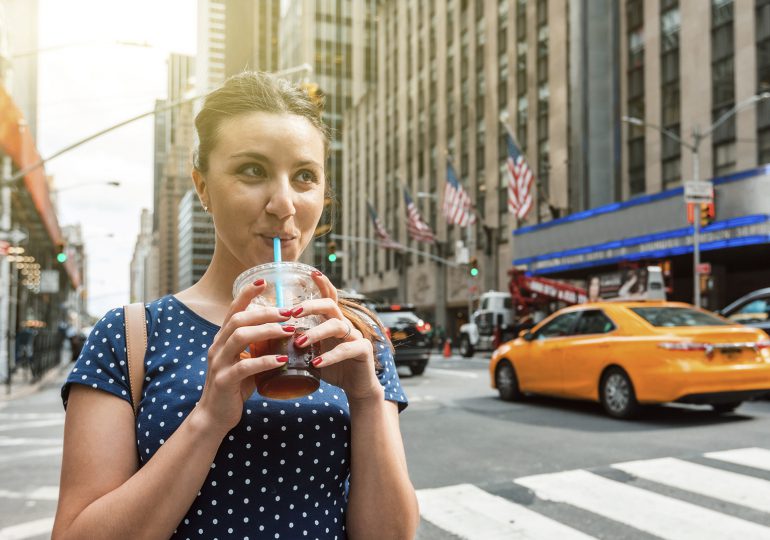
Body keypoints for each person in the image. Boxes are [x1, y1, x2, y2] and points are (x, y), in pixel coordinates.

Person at [53, 71, 419, 539]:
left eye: (304, 176)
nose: (283, 203)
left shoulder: (356, 336)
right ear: (203, 186)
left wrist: (367, 400)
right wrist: (208, 419)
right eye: (253, 170)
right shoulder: (129, 336)